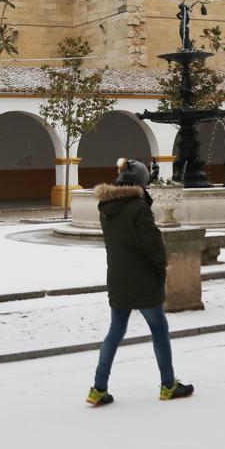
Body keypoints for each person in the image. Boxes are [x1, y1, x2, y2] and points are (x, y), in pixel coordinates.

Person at [86, 158, 194, 407]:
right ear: (141, 183)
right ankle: (168, 385)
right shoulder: (138, 207)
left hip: (117, 277)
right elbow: (153, 245)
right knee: (159, 329)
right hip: (142, 278)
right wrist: (160, 268)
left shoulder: (106, 207)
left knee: (115, 331)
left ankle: (98, 388)